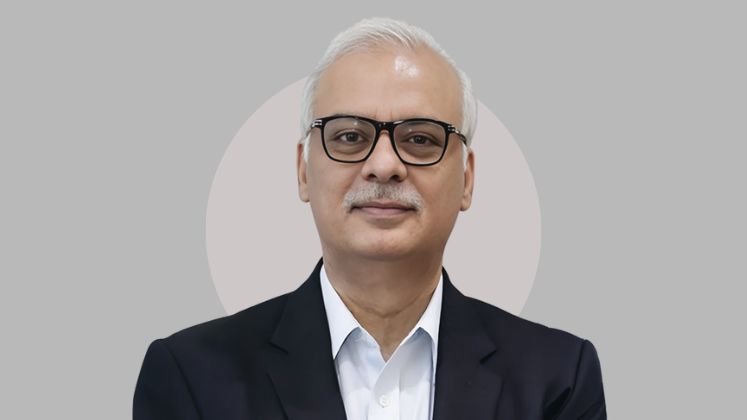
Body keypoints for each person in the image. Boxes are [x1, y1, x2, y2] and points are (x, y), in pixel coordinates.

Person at [133, 17, 606, 420]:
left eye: (420, 139)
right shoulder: (191, 378)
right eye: (350, 137)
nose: (384, 165)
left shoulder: (558, 378)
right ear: (303, 171)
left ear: (467, 179)